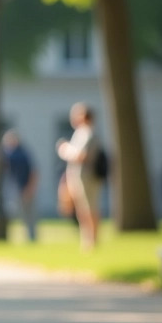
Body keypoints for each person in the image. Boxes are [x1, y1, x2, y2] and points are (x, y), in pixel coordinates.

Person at [56, 102, 102, 251]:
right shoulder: (81, 133)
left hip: (87, 177)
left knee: (89, 208)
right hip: (79, 177)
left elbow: (81, 155)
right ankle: (87, 240)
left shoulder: (87, 133)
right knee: (82, 209)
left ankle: (92, 241)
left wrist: (65, 150)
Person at [0, 130, 38, 242]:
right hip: (14, 187)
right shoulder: (8, 154)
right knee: (12, 212)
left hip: (24, 187)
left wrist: (30, 188)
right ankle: (9, 237)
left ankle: (31, 237)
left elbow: (33, 172)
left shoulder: (22, 154)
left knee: (28, 214)